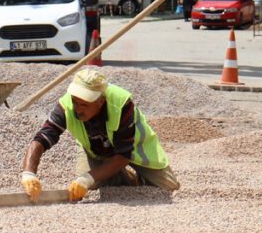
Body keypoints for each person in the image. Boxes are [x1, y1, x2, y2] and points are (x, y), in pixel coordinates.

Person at [21, 69, 179, 202]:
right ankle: (123, 177)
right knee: (91, 185)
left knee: (168, 187)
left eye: (84, 104)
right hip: (96, 149)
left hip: (137, 147)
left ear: (101, 101)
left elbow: (123, 155)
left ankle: (125, 174)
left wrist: (87, 178)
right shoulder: (66, 105)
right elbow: (42, 138)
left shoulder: (121, 104)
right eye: (76, 101)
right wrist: (29, 173)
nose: (78, 108)